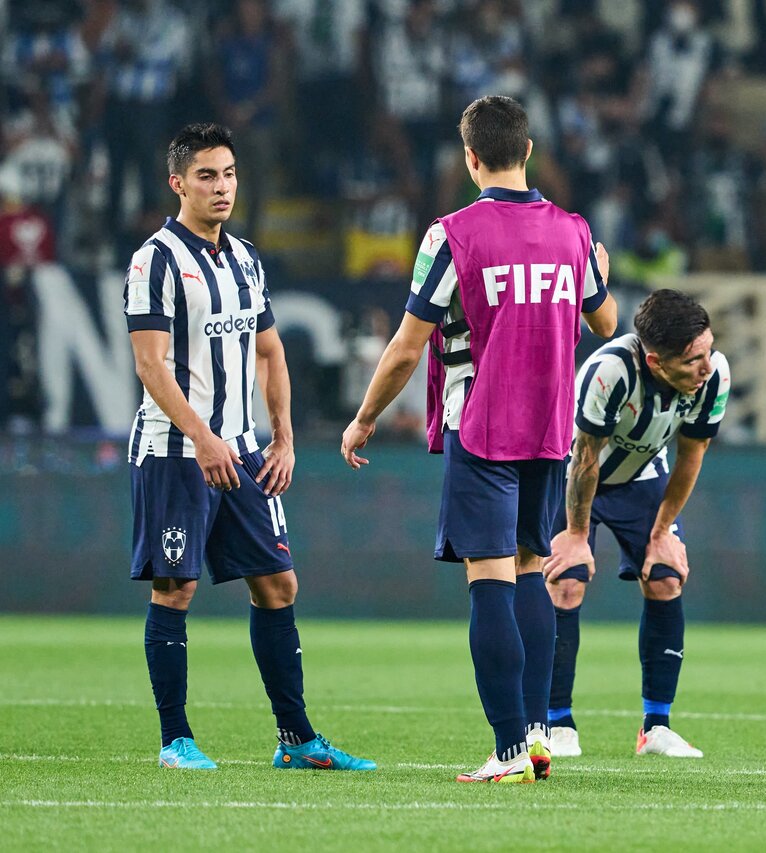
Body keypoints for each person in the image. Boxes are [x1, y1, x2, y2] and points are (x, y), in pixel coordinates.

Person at [341, 96, 617, 784]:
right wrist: (600, 271)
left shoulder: (452, 235)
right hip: (550, 428)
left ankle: (509, 748)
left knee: (489, 578)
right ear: (529, 152)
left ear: (470, 159)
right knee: (531, 567)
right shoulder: (574, 232)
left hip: (483, 424)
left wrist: (365, 415)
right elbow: (607, 321)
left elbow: (407, 346)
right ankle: (537, 731)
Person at [125, 123, 374, 771]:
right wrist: (201, 435)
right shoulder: (155, 260)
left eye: (229, 174)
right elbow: (150, 364)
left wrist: (282, 436)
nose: (222, 187)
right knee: (175, 588)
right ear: (178, 183)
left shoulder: (244, 257)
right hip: (176, 452)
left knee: (278, 584)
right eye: (206, 175)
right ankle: (175, 740)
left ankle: (296, 739)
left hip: (241, 449)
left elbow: (269, 350)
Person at [542, 289, 729, 759]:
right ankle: (557, 725)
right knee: (566, 581)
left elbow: (692, 455)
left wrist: (663, 532)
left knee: (666, 578)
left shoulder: (715, 375)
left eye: (708, 351)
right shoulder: (611, 372)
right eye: (692, 360)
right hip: (569, 474)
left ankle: (656, 727)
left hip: (641, 476)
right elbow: (585, 458)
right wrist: (577, 535)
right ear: (655, 362)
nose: (706, 367)